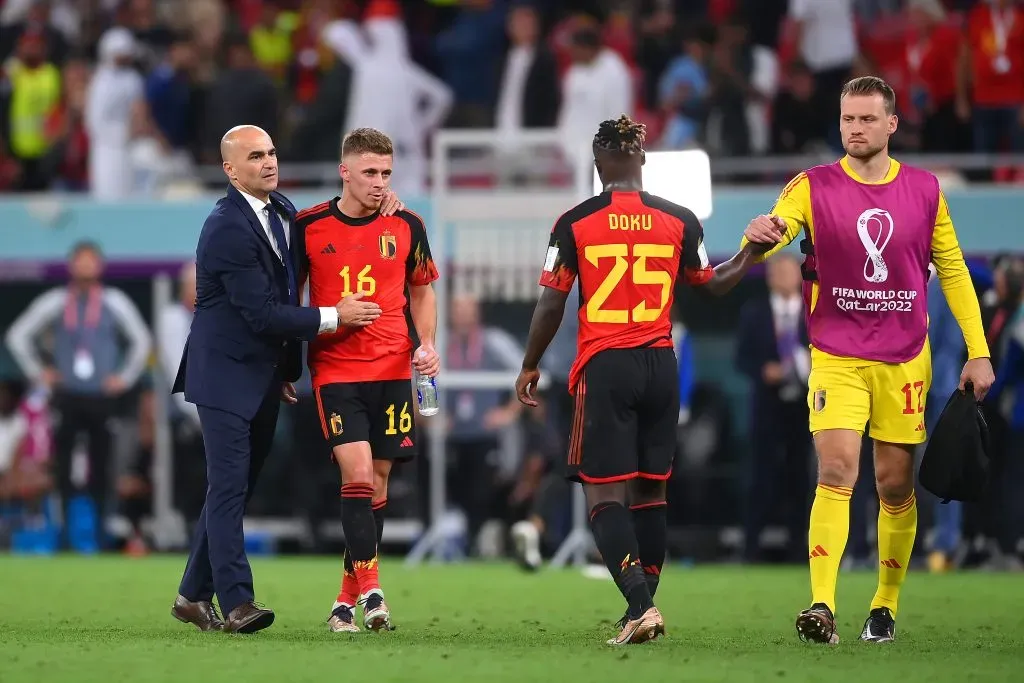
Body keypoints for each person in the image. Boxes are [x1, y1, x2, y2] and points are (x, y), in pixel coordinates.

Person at [743, 76, 994, 645]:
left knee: (894, 484)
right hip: (835, 352)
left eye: (866, 119)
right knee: (835, 470)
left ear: (891, 125)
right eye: (847, 120)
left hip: (905, 357)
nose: (854, 129)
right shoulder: (812, 185)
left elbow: (952, 272)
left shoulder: (927, 190)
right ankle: (822, 605)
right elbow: (780, 225)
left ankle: (883, 604)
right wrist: (765, 231)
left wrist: (978, 352)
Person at [514, 114, 768, 646]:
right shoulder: (681, 219)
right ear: (643, 160)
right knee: (651, 493)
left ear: (598, 161)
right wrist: (752, 251)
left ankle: (640, 606)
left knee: (603, 495)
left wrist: (530, 363)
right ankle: (644, 604)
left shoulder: (575, 221)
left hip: (607, 364)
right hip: (661, 364)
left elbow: (551, 301)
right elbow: (714, 284)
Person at [170, 124, 403, 635]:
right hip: (224, 376)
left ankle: (191, 595)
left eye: (272, 152)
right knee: (228, 487)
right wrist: (334, 317)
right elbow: (263, 314)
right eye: (255, 157)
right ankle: (236, 603)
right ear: (230, 170)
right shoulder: (226, 227)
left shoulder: (282, 213)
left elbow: (314, 254)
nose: (269, 163)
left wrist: (377, 202)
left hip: (263, 376)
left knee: (235, 489)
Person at [296, 127, 440, 634]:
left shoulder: (406, 224)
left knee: (377, 483)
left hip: (393, 369)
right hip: (336, 369)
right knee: (355, 474)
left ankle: (343, 602)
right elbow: (291, 301)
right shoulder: (308, 225)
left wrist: (426, 343)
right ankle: (375, 591)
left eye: (385, 173)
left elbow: (422, 290)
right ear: (345, 172)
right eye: (369, 173)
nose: (379, 183)